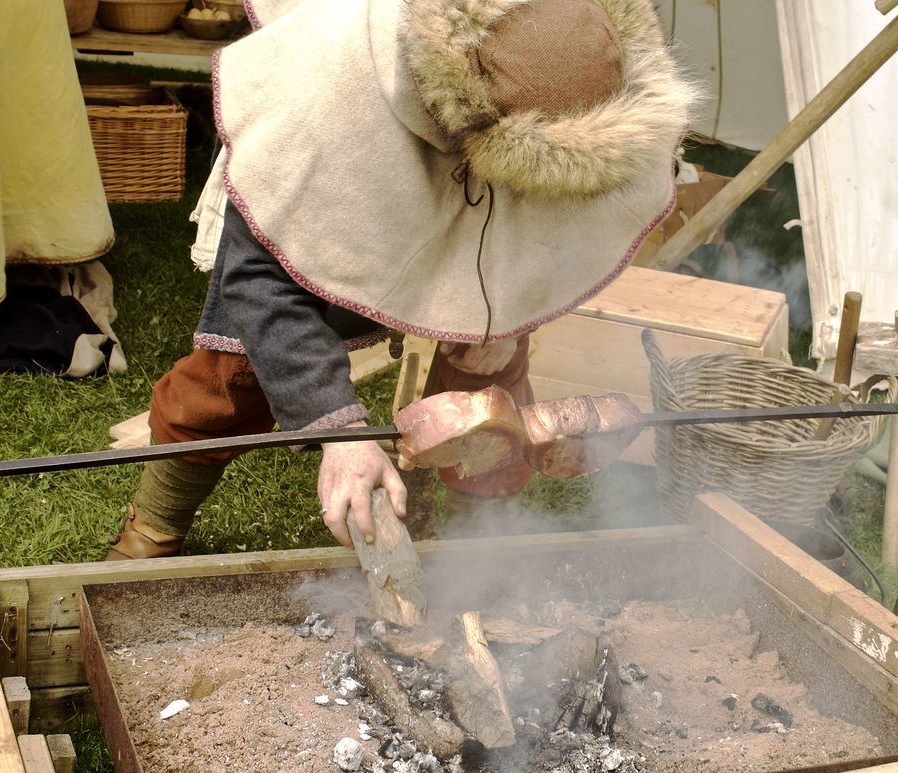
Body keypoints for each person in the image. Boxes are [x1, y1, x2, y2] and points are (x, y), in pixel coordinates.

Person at [107, 0, 696, 559]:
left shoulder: (584, 69)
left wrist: (509, 312)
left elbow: (556, 231)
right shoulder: (321, 102)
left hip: (495, 128)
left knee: (491, 382)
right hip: (356, 132)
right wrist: (339, 433)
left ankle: (480, 549)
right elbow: (259, 282)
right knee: (233, 371)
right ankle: (155, 525)